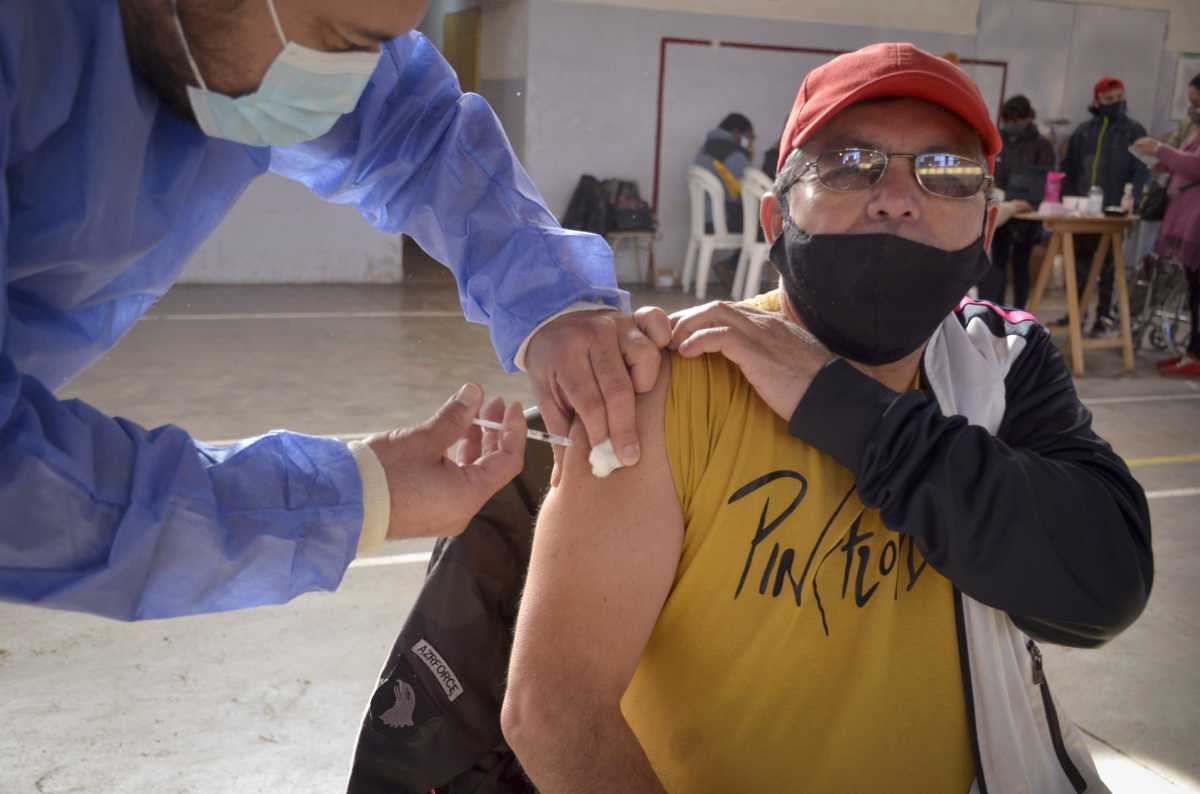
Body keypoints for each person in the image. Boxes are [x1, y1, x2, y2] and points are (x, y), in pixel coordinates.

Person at [502, 44, 1151, 793]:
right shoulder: (672, 380)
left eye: (946, 172)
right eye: (849, 164)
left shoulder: (1002, 364)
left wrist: (836, 401)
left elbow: (1103, 586)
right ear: (776, 220)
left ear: (988, 228)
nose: (898, 197)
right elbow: (554, 710)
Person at [0, 0, 666, 621]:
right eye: (344, 45)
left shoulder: (240, 33)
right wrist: (348, 498)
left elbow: (420, 132)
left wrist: (555, 302)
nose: (352, 91)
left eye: (384, 47)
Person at [1060, 76, 1149, 335]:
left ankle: (1103, 318)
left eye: (1120, 98)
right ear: (1097, 101)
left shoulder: (1135, 132)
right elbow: (1069, 168)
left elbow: (1141, 170)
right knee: (1079, 267)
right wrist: (1065, 200)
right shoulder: (1083, 132)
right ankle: (1077, 313)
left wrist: (1133, 198)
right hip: (1082, 213)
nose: (1116, 103)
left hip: (1114, 213)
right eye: (1109, 99)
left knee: (1109, 268)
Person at [1132, 73, 1200, 377]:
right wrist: (1164, 162)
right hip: (1186, 220)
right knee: (1194, 291)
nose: (1192, 108)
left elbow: (1195, 165)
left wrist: (1161, 150)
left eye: (1197, 102)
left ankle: (1196, 354)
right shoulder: (1194, 131)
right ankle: (1192, 352)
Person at [979, 95, 1056, 308]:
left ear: (1027, 118)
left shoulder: (1041, 145)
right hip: (1001, 209)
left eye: (1016, 121)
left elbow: (1044, 179)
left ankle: (1019, 313)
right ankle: (995, 310)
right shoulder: (996, 140)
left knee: (1022, 265)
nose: (1011, 125)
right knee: (996, 264)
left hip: (1027, 213)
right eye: (1008, 121)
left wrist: (1031, 200)